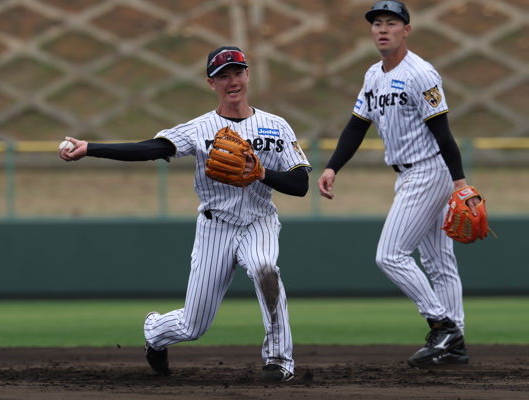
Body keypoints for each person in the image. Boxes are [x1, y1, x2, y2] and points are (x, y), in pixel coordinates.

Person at [59, 45, 311, 381]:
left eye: (237, 72)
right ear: (211, 83)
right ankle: (155, 332)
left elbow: (300, 184)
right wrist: (91, 148)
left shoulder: (276, 126)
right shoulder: (199, 128)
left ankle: (279, 361)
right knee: (194, 325)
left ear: (248, 75)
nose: (232, 81)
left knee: (265, 269)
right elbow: (151, 149)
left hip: (259, 221)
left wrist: (262, 173)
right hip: (215, 227)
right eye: (223, 76)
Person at [317, 1, 480, 368]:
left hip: (428, 171)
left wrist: (460, 184)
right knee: (439, 262)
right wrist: (332, 167)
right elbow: (356, 126)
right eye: (377, 23)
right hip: (409, 174)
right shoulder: (373, 75)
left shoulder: (421, 73)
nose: (382, 29)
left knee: (390, 255)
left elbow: (443, 132)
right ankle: (454, 346)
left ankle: (443, 326)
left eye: (391, 22)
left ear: (406, 30)